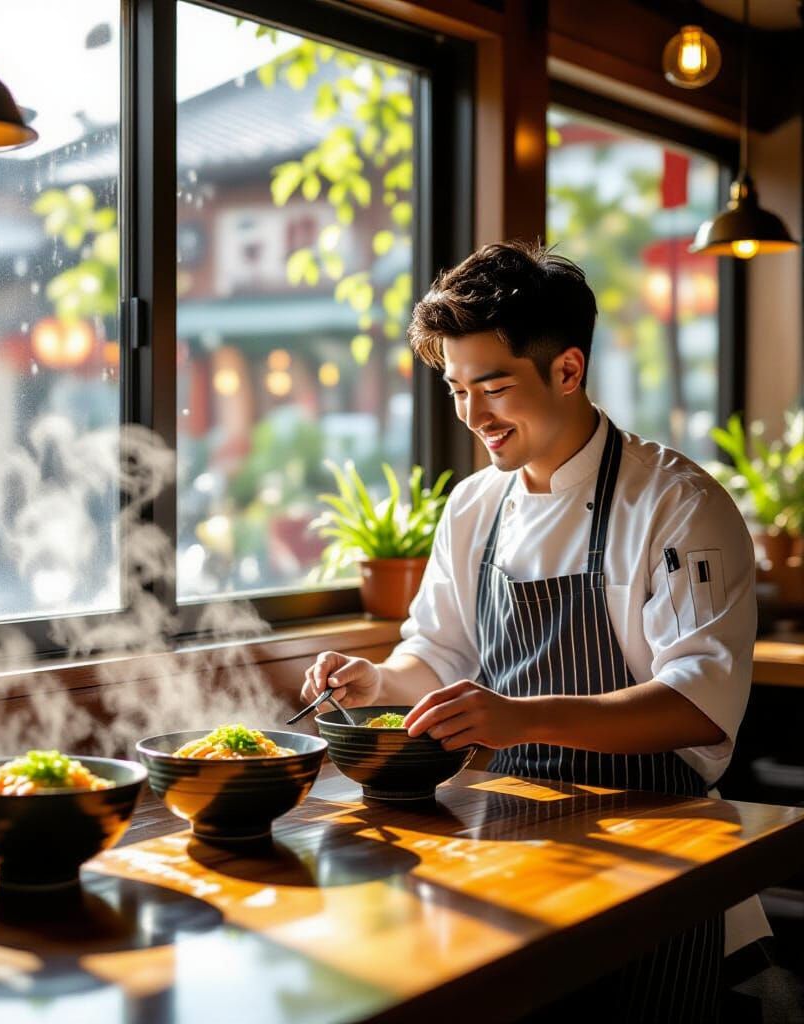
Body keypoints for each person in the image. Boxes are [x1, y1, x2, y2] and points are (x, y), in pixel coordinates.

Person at [302, 241, 765, 1021]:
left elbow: (699, 704)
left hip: (658, 846)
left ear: (568, 370)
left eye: (493, 388)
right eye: (457, 389)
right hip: (508, 839)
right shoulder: (474, 506)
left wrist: (519, 717)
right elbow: (438, 653)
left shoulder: (677, 504)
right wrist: (377, 681)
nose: (472, 416)